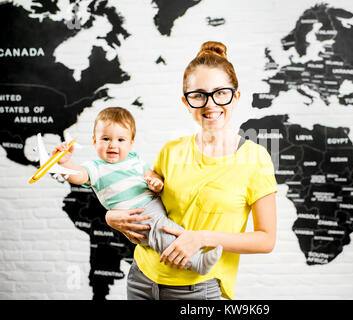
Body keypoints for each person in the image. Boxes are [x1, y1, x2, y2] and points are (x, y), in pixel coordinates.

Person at [105, 41, 278, 300]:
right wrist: (112, 218)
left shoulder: (256, 160)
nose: (210, 104)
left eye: (220, 93)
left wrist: (201, 238)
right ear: (186, 102)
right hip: (141, 279)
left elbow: (266, 240)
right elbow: (143, 204)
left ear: (236, 96)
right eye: (198, 95)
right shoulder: (170, 151)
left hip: (198, 290)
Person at [51, 107, 223, 276]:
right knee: (165, 231)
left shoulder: (135, 160)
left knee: (171, 230)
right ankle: (197, 262)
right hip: (137, 216)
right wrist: (65, 163)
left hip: (153, 205)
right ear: (95, 141)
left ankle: (197, 244)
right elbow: (77, 176)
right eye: (105, 138)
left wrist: (156, 183)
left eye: (120, 140)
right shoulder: (95, 168)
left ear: (131, 142)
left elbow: (151, 175)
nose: (113, 145)